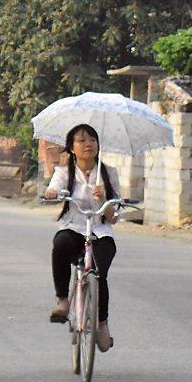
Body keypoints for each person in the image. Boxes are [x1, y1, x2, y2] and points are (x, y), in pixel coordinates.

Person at [45, 123, 121, 353]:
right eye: (81, 140)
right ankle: (63, 301)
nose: (88, 144)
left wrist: (105, 200)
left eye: (92, 140)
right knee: (59, 244)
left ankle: (101, 324)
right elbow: (55, 189)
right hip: (74, 229)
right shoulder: (64, 173)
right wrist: (52, 193)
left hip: (100, 232)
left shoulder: (108, 174)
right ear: (71, 147)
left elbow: (115, 216)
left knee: (99, 272)